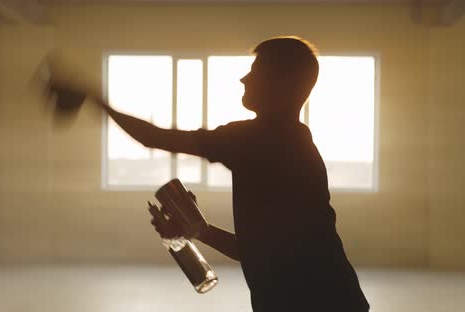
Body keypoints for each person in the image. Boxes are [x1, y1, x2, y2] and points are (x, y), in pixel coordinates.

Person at [96, 36, 369, 311]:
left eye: (256, 71)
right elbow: (257, 251)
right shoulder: (298, 142)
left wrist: (95, 99)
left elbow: (152, 137)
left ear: (283, 83)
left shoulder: (255, 139)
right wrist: (200, 231)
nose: (244, 79)